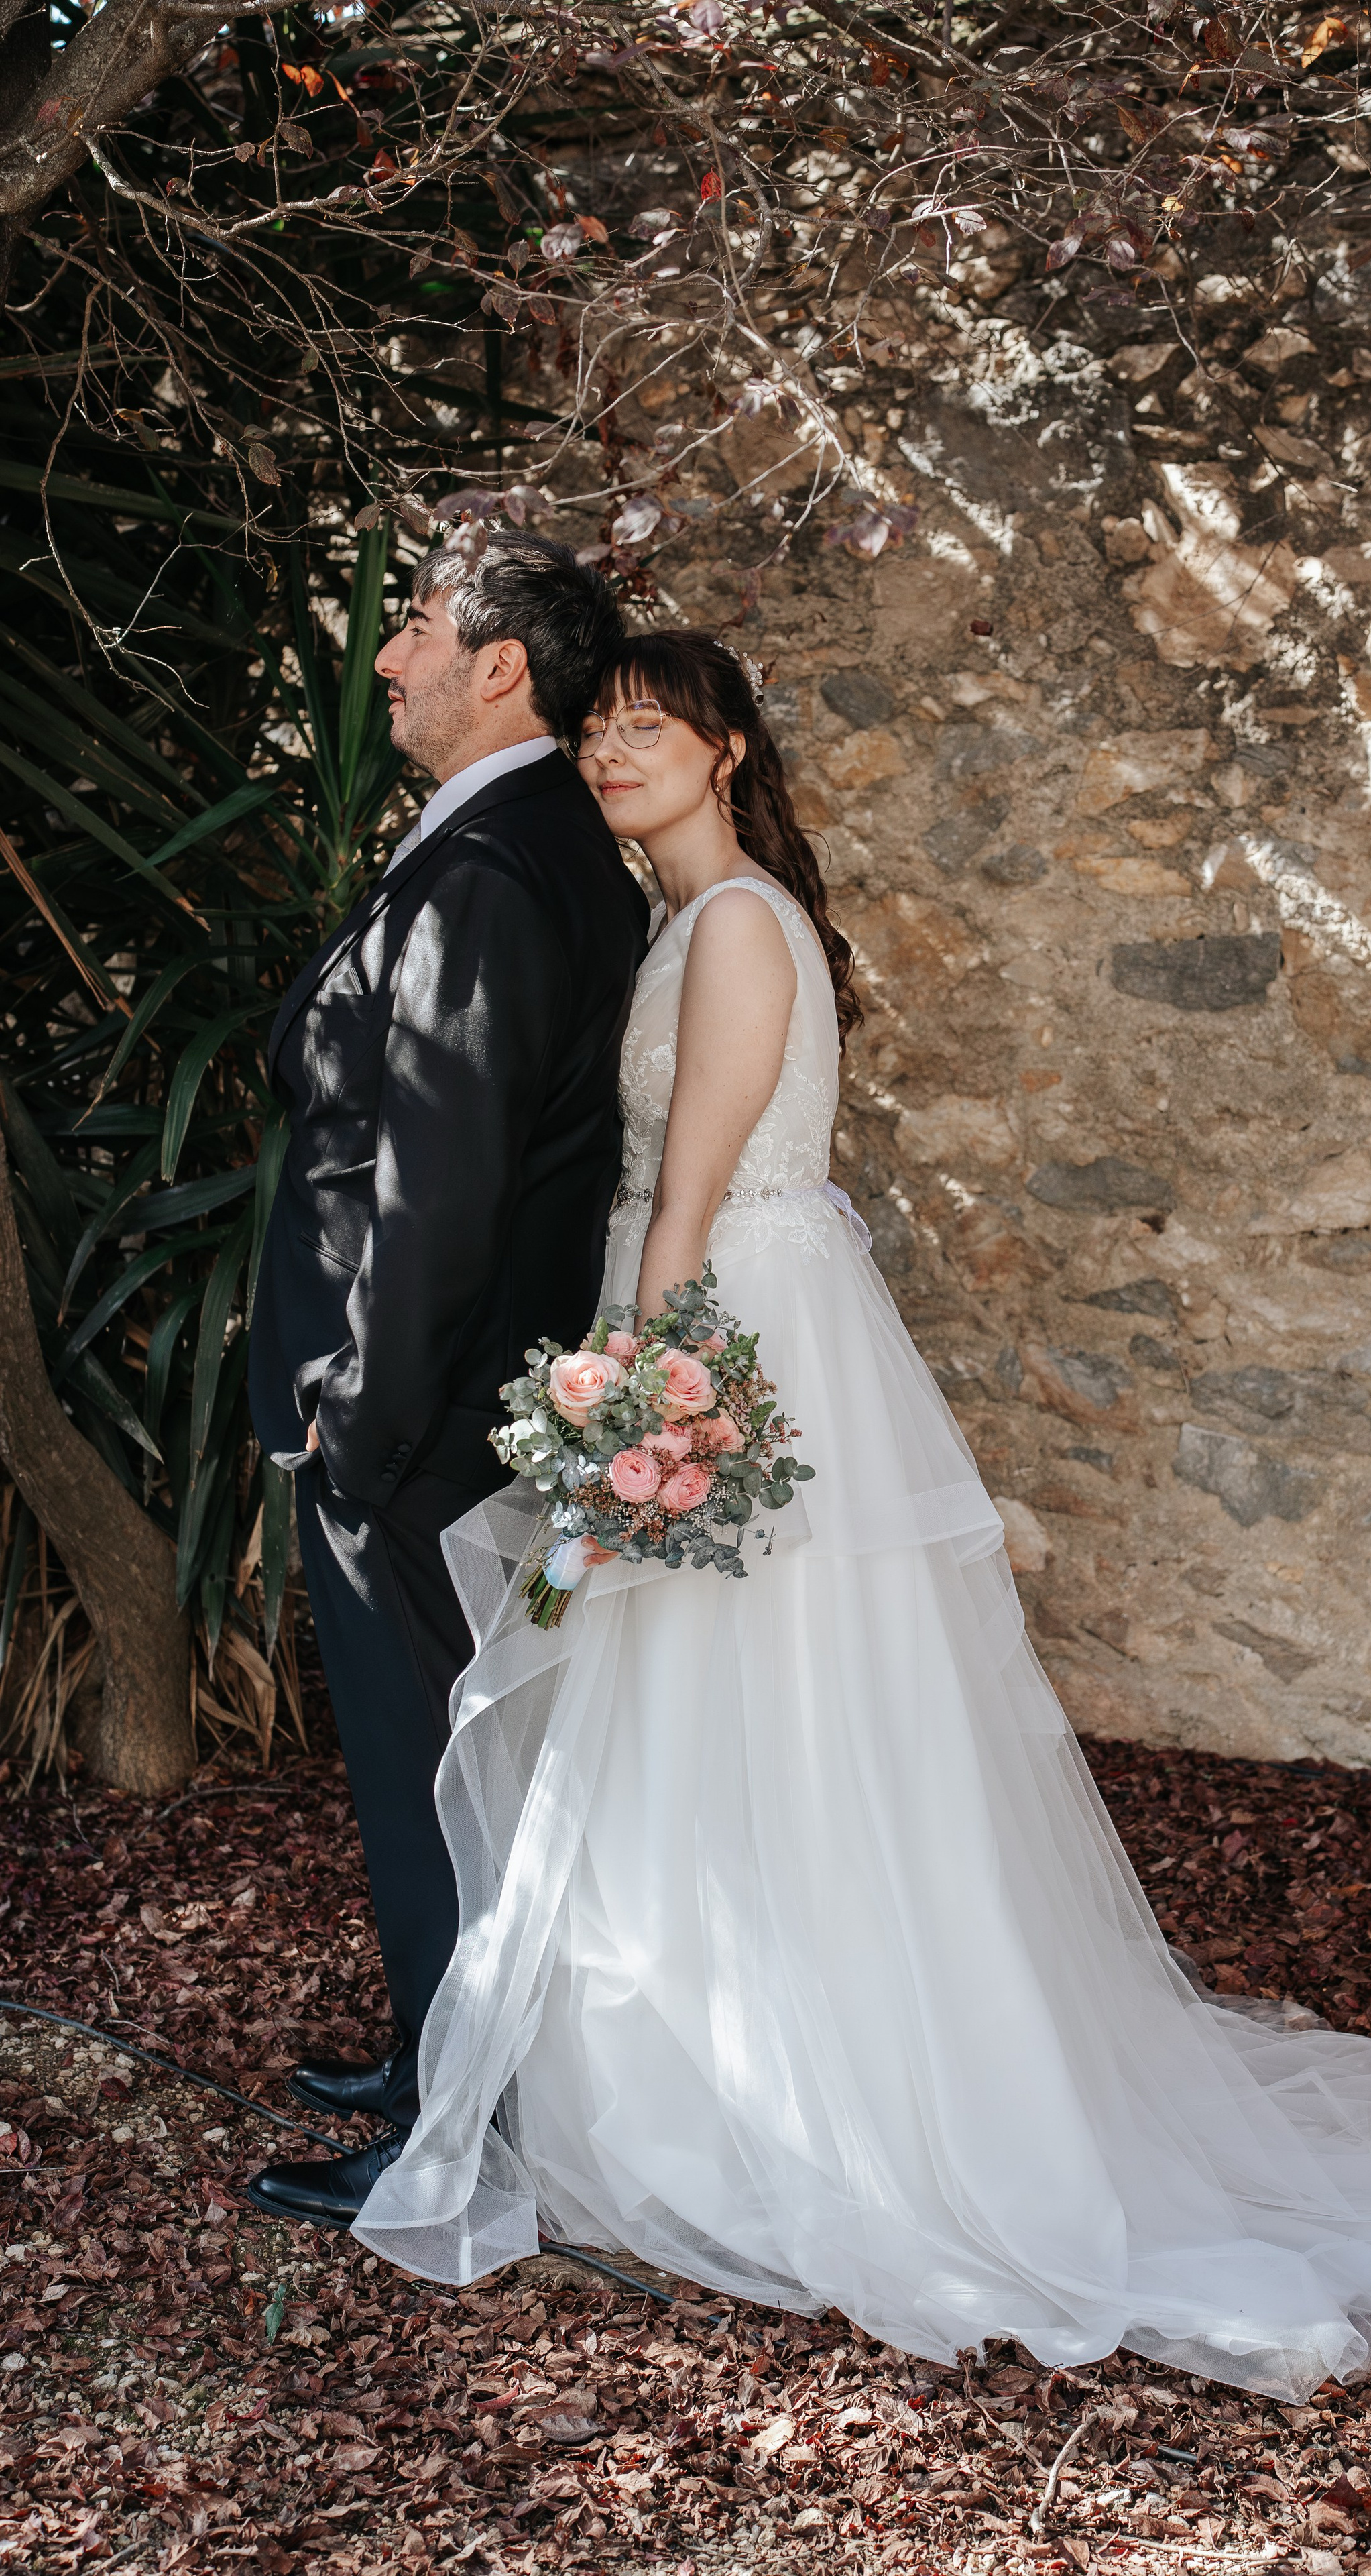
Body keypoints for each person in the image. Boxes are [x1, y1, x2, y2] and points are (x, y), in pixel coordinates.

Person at [351, 632, 1371, 2394]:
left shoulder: (742, 926)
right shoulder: (697, 925)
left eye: (649, 733)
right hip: (710, 1303)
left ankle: (814, 2098)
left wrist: (641, 1416)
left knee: (756, 1694)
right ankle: (716, 2069)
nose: (614, 758)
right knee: (723, 1706)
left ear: (729, 749)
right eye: (598, 734)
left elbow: (685, 1199)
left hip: (717, 1319)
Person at [245, 532, 651, 2225]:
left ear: (501, 665)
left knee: (434, 1768)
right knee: (454, 1762)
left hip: (415, 1405)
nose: (388, 654)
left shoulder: (491, 867)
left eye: (412, 624)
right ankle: (441, 2058)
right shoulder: (520, 841)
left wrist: (362, 1405)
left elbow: (442, 1172)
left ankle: (460, 2140)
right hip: (455, 1388)